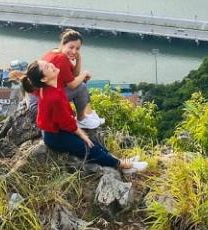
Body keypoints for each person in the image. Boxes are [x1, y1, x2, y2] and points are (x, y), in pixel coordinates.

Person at [12, 60, 147, 173]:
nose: (51, 64)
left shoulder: (48, 87)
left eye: (48, 63)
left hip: (55, 128)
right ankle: (121, 165)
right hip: (54, 136)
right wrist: (81, 134)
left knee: (93, 141)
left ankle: (116, 159)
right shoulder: (53, 97)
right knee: (88, 147)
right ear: (44, 78)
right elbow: (66, 123)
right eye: (47, 66)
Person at [29, 29, 104, 129]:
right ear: (63, 44)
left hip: (39, 100)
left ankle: (85, 116)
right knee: (82, 87)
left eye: (77, 49)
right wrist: (85, 73)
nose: (74, 51)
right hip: (39, 105)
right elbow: (73, 84)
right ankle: (82, 120)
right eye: (71, 47)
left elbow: (74, 75)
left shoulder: (55, 51)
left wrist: (78, 60)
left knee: (81, 82)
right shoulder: (61, 59)